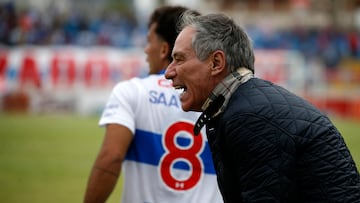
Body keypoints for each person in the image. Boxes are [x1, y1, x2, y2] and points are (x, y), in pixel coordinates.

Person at [165, 12, 360, 202]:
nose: (169, 72)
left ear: (216, 62)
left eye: (179, 59)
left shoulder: (249, 117)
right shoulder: (246, 106)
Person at [84, 6, 222, 203]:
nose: (146, 49)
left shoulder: (132, 92)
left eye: (149, 41)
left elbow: (111, 158)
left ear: (165, 49)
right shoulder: (220, 100)